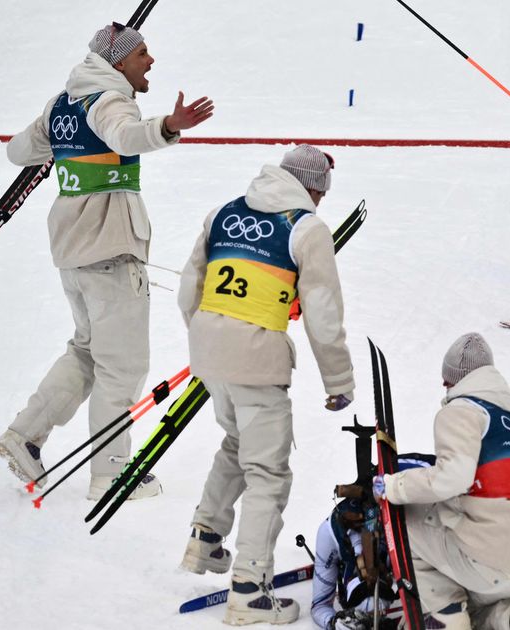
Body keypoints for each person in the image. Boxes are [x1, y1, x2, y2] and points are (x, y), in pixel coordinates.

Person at [0, 22, 214, 500]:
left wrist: (61, 142)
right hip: (110, 251)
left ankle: (24, 436)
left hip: (73, 254)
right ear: (119, 62)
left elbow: (17, 151)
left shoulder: (62, 103)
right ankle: (111, 474)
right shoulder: (111, 100)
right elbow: (126, 136)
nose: (150, 61)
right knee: (123, 366)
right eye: (142, 53)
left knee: (87, 351)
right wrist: (169, 126)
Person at [177, 145, 356, 626]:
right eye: (321, 192)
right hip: (255, 359)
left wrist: (209, 338)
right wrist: (339, 380)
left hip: (209, 350)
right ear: (312, 187)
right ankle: (250, 589)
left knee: (238, 443)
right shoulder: (307, 228)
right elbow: (323, 312)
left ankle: (205, 538)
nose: (320, 201)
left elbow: (189, 286)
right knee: (268, 473)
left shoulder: (222, 213)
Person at [373, 333, 510, 630]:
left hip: (491, 561)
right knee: (473, 601)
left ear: (450, 380)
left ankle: (444, 616)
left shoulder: (461, 411)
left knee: (403, 523)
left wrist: (393, 487)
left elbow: (452, 477)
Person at [311, 454, 435, 630]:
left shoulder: (331, 535)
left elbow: (320, 606)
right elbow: (319, 606)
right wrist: (335, 622)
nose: (377, 614)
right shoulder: (330, 532)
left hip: (418, 482)